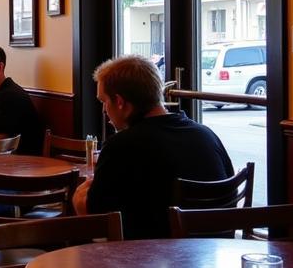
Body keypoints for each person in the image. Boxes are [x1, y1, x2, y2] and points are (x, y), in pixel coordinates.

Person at [73, 54, 233, 239]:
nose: (103, 110)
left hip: (151, 260)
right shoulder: (206, 135)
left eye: (104, 101)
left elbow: (97, 218)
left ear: (119, 102)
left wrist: (79, 202)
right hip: (213, 254)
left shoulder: (121, 146)